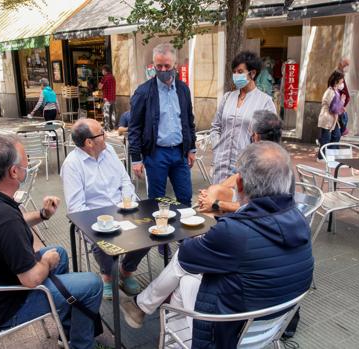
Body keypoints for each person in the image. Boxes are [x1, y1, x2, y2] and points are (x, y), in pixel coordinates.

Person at [120, 141, 314, 348]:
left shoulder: (235, 231)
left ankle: (148, 313)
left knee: (183, 280)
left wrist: (214, 220)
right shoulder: (300, 220)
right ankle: (142, 307)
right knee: (191, 275)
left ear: (240, 185)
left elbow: (187, 256)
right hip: (272, 325)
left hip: (230, 331)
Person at [0, 134, 103, 348]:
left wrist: (42, 215)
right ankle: (82, 345)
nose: (27, 167)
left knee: (59, 252)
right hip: (5, 308)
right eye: (26, 164)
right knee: (92, 284)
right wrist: (45, 263)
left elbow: (6, 227)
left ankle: (67, 331)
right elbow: (31, 279)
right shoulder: (2, 216)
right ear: (13, 172)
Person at [61, 119, 149, 300]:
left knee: (149, 229)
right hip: (96, 217)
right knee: (102, 239)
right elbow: (77, 207)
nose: (106, 135)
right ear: (89, 142)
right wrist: (103, 221)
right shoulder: (72, 165)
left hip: (123, 208)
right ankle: (107, 276)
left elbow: (125, 180)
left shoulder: (108, 151)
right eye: (101, 132)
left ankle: (126, 271)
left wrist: (129, 201)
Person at [129, 43, 196, 206]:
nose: (163, 70)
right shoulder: (143, 92)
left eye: (167, 65)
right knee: (157, 200)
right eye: (159, 66)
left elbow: (188, 120)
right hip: (156, 153)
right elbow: (135, 128)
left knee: (185, 197)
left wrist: (192, 148)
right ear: (154, 65)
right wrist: (136, 159)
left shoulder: (183, 89)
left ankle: (185, 230)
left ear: (175, 65)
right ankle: (159, 229)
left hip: (180, 153)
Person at [210, 51, 277, 184]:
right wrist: (217, 149)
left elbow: (271, 141)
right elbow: (215, 127)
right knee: (217, 202)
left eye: (240, 71)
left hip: (245, 170)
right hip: (221, 167)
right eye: (234, 72)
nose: (236, 75)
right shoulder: (227, 97)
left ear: (252, 73)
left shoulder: (265, 102)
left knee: (239, 204)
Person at [198, 110, 283, 213]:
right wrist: (209, 194)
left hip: (259, 211)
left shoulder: (272, 165)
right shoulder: (257, 153)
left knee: (211, 205)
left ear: (257, 136)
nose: (250, 136)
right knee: (212, 192)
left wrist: (216, 204)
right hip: (246, 199)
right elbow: (238, 176)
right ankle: (210, 225)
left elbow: (254, 207)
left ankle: (212, 226)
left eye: (252, 133)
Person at [317, 70, 344, 159]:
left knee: (337, 135)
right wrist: (342, 102)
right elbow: (334, 108)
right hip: (327, 118)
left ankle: (331, 156)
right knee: (326, 139)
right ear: (337, 81)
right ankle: (322, 157)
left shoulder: (335, 91)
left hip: (333, 118)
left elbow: (336, 106)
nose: (342, 83)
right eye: (341, 81)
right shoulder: (330, 91)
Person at [98, 64, 116, 131]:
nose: (102, 71)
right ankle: (113, 127)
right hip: (113, 98)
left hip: (107, 98)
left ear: (105, 70)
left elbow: (100, 87)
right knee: (112, 113)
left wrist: (99, 84)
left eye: (102, 70)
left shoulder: (104, 78)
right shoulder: (112, 77)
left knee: (106, 113)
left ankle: (107, 127)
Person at [335, 58, 351, 136]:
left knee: (343, 116)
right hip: (338, 99)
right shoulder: (338, 74)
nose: (347, 67)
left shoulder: (341, 73)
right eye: (346, 65)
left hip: (341, 100)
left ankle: (342, 129)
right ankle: (342, 129)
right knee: (342, 116)